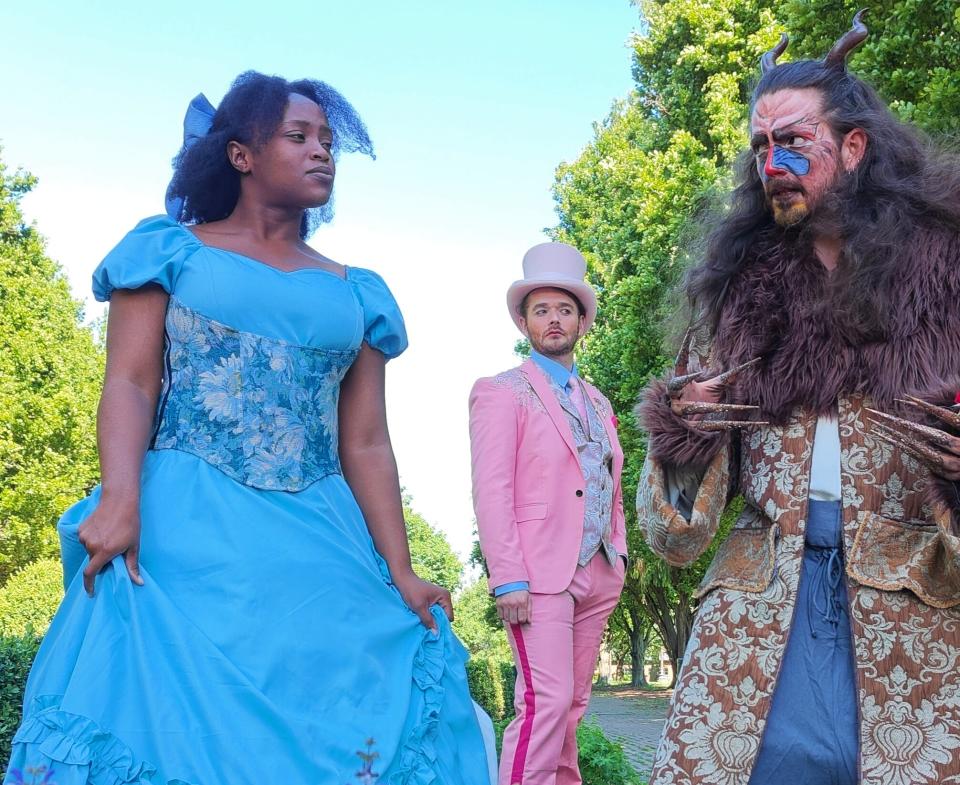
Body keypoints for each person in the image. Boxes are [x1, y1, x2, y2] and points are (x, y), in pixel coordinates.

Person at [4, 71, 491, 785]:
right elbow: (130, 383)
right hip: (183, 535)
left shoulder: (356, 291)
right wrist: (118, 494)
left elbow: (366, 444)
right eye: (299, 136)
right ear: (241, 155)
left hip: (319, 547)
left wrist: (402, 570)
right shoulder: (169, 251)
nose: (321, 151)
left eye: (328, 140)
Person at [636, 12, 960, 785]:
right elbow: (676, 538)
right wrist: (682, 440)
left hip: (914, 635)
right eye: (759, 148)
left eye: (793, 142)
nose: (772, 163)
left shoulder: (948, 287)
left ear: (854, 148)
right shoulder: (732, 299)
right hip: (751, 626)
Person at [469, 243, 628, 785]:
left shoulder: (600, 401)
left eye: (564, 309)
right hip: (537, 573)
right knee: (544, 704)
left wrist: (619, 556)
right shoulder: (501, 393)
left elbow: (608, 479)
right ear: (524, 321)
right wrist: (507, 576)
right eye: (541, 310)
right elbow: (492, 490)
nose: (553, 320)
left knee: (572, 707)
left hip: (599, 570)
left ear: (582, 321)